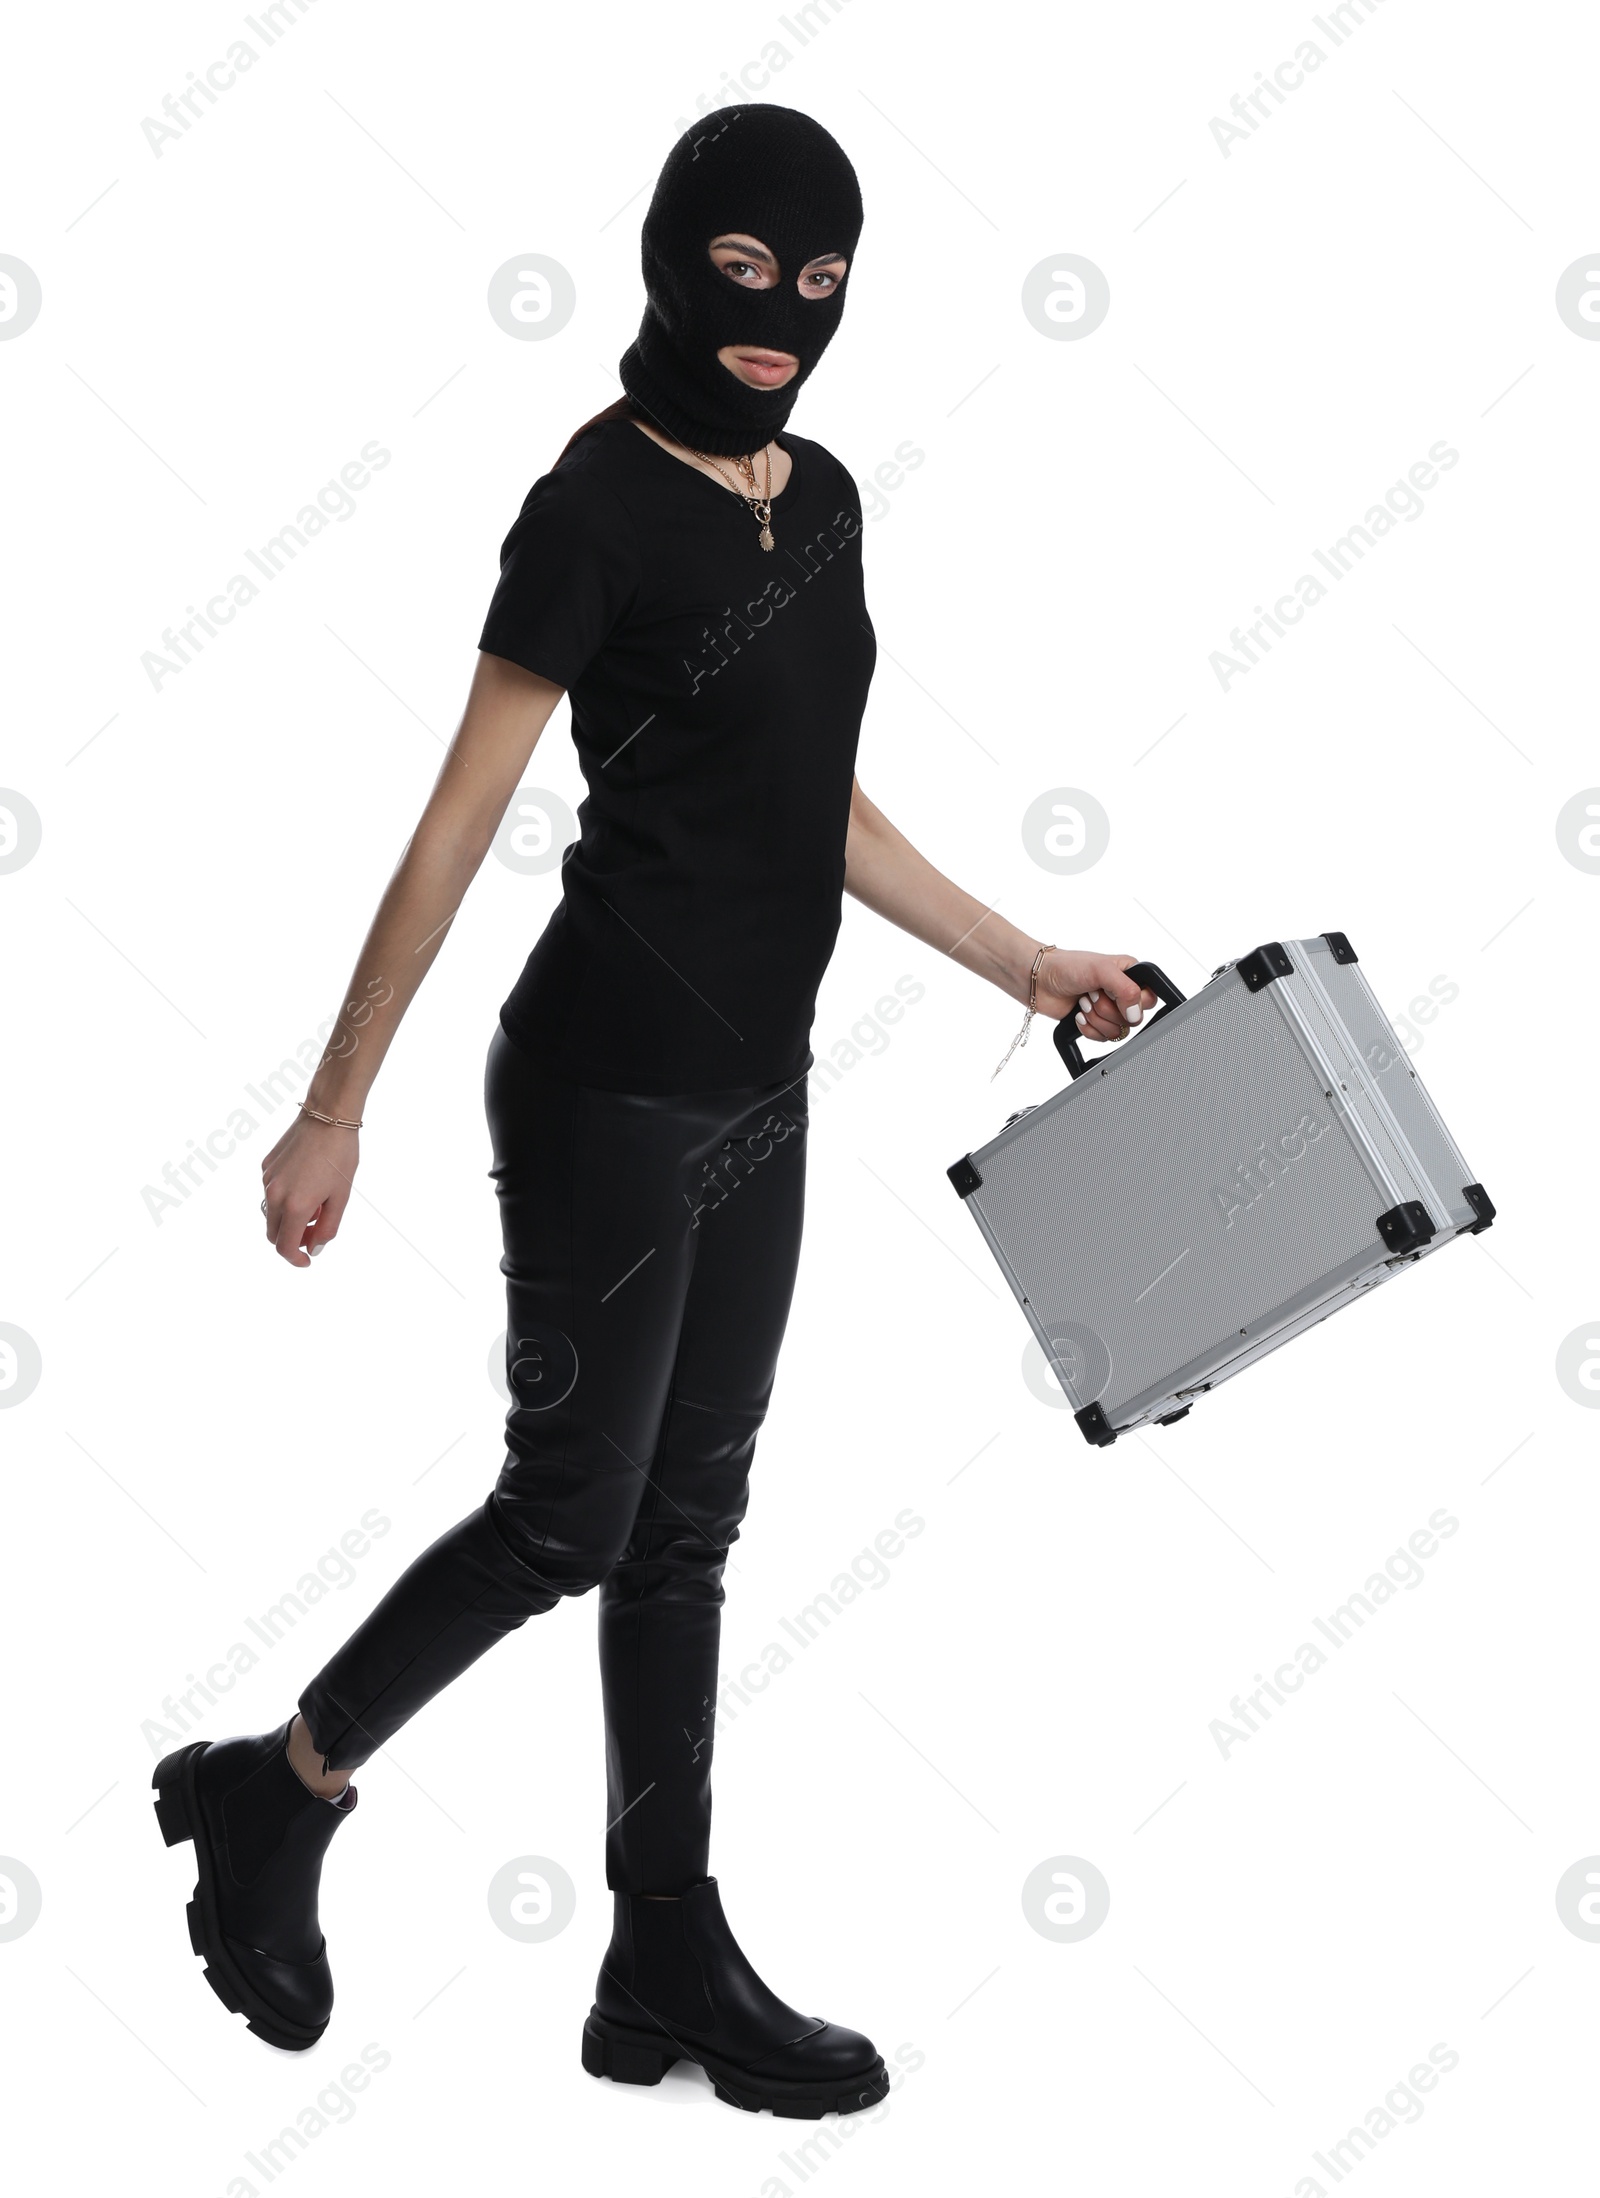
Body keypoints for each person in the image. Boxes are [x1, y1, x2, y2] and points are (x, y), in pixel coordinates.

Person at [150, 102, 1155, 2118]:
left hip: (755, 1087)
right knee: (574, 1510)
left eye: (819, 279)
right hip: (602, 1076)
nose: (777, 314)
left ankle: (660, 1955)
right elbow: (455, 824)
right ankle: (280, 1792)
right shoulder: (592, 504)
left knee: (686, 1529)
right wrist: (332, 1103)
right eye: (745, 270)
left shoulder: (824, 497)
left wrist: (1023, 959)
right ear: (671, 258)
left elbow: (814, 800)